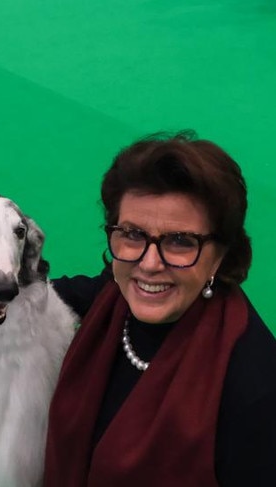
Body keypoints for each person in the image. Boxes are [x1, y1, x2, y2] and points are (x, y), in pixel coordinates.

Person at [44, 131, 276, 486]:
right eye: (133, 234)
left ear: (221, 255)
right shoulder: (111, 297)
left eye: (181, 241)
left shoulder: (255, 387)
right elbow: (48, 296)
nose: (149, 264)